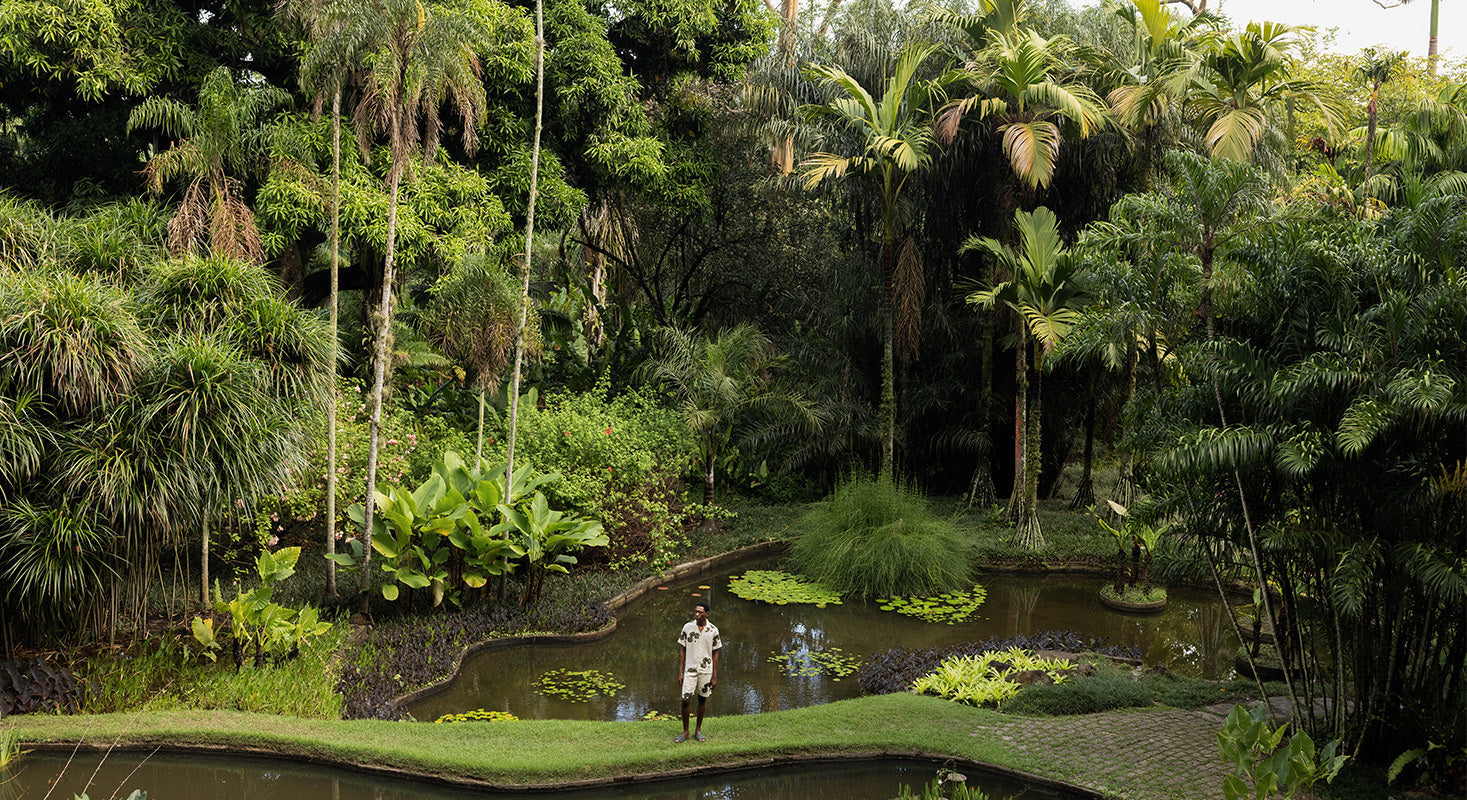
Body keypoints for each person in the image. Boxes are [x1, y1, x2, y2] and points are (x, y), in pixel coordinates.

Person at [674, 601, 720, 743]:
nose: (697, 614)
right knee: (685, 699)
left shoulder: (713, 630)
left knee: (702, 699)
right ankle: (685, 732)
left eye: (700, 612)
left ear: (706, 613)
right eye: (695, 612)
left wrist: (714, 676)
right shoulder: (688, 628)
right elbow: (682, 650)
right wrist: (680, 672)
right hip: (690, 670)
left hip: (706, 671)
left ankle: (698, 730)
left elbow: (715, 653)